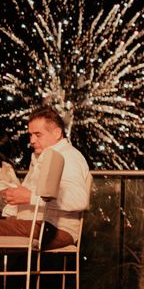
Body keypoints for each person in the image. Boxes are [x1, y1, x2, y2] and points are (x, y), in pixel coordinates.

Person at [0, 106, 90, 249]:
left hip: (54, 228)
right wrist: (13, 198)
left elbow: (79, 199)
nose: (32, 141)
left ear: (57, 133)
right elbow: (29, 193)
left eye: (38, 134)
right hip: (34, 224)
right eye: (30, 135)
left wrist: (30, 197)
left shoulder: (68, 157)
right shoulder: (39, 157)